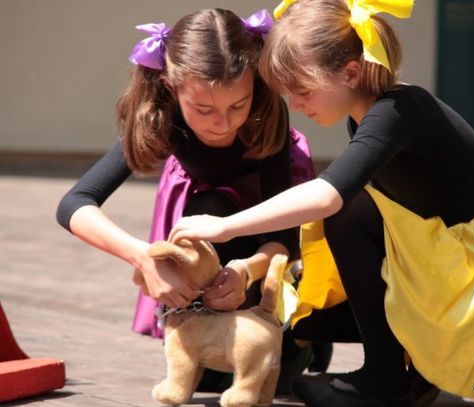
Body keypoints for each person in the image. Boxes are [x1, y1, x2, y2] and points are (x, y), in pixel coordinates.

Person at [168, 1, 474, 406]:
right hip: (438, 257)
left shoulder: (399, 111)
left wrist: (227, 225)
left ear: (350, 72)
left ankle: (385, 381)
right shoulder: (365, 116)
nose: (294, 104)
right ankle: (403, 370)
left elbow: (328, 194)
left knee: (345, 209)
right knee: (313, 301)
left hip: (472, 273)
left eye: (302, 90)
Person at [56, 8, 322, 394]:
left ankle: (304, 342)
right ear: (170, 87)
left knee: (270, 369)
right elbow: (74, 202)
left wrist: (247, 270)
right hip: (206, 228)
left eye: (238, 105)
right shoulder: (159, 115)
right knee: (208, 373)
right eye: (203, 109)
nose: (224, 123)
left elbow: (286, 232)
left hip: (261, 239)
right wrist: (142, 257)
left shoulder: (266, 111)